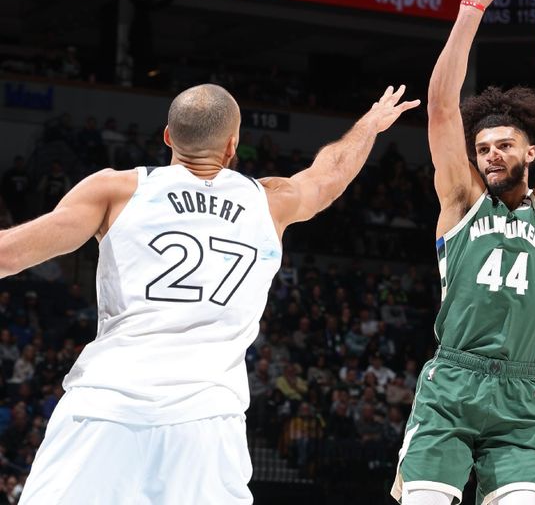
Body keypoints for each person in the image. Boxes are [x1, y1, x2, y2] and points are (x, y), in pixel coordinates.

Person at [0, 82, 419, 504]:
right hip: (206, 422)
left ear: (167, 136)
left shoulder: (115, 190)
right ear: (233, 143)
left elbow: (8, 257)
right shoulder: (269, 201)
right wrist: (371, 122)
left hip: (105, 406)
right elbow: (329, 175)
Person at [392, 0, 535, 505]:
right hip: (450, 385)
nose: (490, 155)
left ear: (530, 150)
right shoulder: (461, 201)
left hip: (520, 396)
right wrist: (471, 7)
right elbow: (442, 109)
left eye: (502, 146)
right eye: (482, 149)